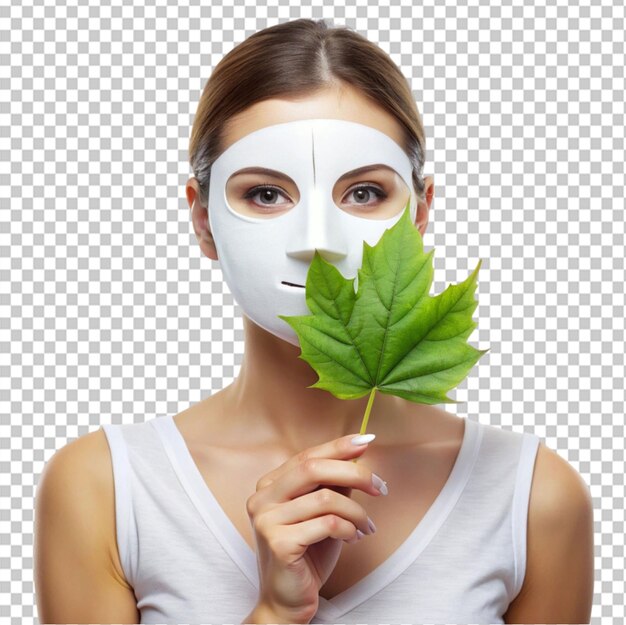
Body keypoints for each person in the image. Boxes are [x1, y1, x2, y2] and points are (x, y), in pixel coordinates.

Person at [34, 17, 594, 625]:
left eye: (364, 193)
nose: (318, 242)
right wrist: (273, 613)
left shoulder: (535, 496)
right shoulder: (102, 488)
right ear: (202, 221)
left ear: (421, 212)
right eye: (266, 194)